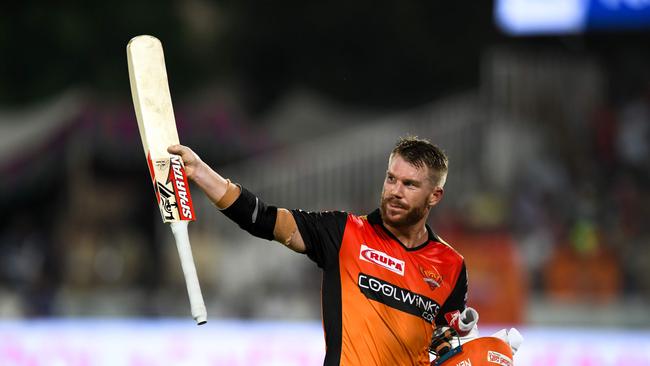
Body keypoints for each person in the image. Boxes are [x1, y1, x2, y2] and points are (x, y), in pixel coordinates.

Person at [168, 136, 474, 366]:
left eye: (409, 184)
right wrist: (200, 172)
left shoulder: (451, 266)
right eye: (391, 179)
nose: (395, 191)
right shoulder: (344, 233)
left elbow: (443, 340)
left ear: (435, 195)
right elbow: (262, 218)